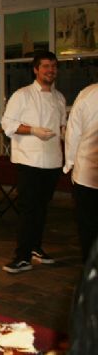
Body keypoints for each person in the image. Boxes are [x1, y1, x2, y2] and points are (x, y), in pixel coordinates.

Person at [0, 51, 66, 273]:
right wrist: (33, 130)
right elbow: (7, 125)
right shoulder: (23, 95)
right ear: (35, 69)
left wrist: (68, 134)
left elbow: (62, 126)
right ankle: (22, 257)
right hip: (29, 160)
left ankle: (36, 248)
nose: (50, 70)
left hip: (53, 161)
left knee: (42, 209)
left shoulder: (59, 98)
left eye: (53, 66)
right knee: (29, 210)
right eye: (46, 66)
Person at [64, 83, 98, 261]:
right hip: (87, 171)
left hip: (86, 173)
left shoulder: (88, 93)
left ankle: (91, 270)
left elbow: (73, 132)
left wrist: (70, 163)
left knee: (89, 226)